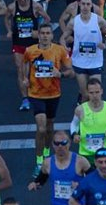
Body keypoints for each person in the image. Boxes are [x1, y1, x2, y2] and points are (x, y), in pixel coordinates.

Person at [25, 22, 75, 170]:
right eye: (43, 33)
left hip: (53, 93)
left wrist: (60, 74)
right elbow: (25, 66)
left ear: (52, 36)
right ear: (38, 35)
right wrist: (25, 79)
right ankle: (39, 160)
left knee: (49, 126)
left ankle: (47, 149)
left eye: (48, 33)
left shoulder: (59, 51)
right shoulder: (30, 50)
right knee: (41, 128)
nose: (45, 36)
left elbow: (71, 71)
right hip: (35, 94)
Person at [28, 129, 88, 205]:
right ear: (53, 145)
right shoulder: (47, 163)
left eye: (63, 143)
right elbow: (41, 180)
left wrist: (80, 185)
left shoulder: (81, 161)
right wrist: (34, 184)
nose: (60, 146)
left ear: (69, 143)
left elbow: (95, 180)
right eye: (57, 143)